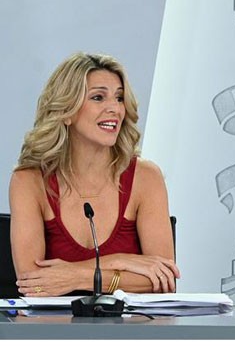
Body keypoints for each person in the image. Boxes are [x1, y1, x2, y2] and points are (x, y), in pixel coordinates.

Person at [9, 52, 180, 296]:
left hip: (132, 330)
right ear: (67, 112)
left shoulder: (146, 177)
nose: (115, 109)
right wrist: (121, 262)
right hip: (54, 330)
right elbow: (33, 282)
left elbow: (163, 280)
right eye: (98, 97)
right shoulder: (29, 180)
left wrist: (76, 276)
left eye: (119, 98)